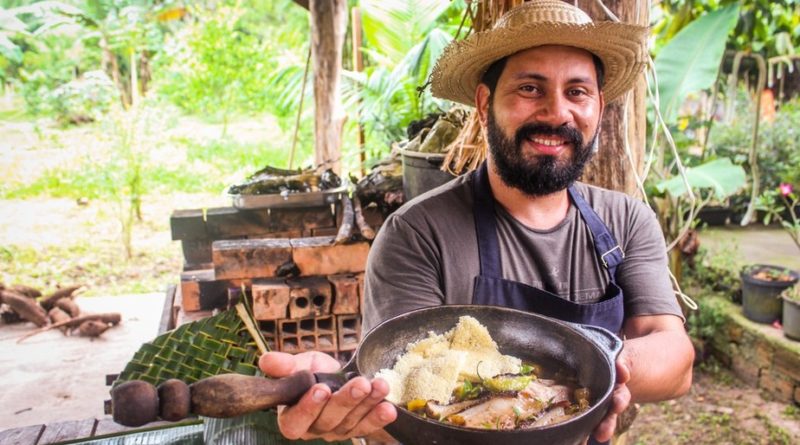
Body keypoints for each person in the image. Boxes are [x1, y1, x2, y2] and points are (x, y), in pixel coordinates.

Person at [259, 1, 695, 443]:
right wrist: (354, 397)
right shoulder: (418, 233)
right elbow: (407, 384)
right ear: (485, 104)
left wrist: (596, 372)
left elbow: (676, 362)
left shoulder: (626, 220)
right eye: (529, 88)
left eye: (577, 92)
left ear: (599, 107)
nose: (556, 112)